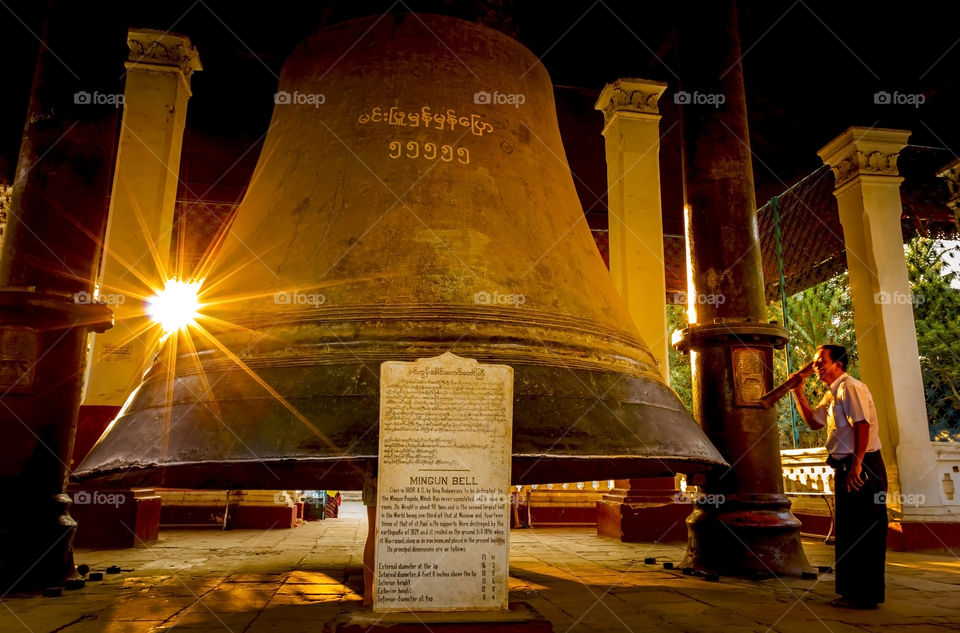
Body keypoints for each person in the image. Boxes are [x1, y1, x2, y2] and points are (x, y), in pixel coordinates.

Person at [789, 343, 887, 609]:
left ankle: (865, 595)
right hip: (847, 468)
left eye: (821, 361)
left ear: (839, 365)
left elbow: (862, 426)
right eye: (815, 362)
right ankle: (852, 593)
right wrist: (798, 392)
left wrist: (857, 465)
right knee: (849, 531)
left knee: (865, 531)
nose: (816, 366)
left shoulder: (850, 387)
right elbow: (813, 422)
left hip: (863, 467)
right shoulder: (832, 395)